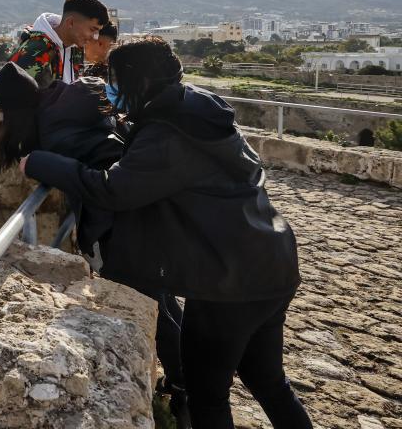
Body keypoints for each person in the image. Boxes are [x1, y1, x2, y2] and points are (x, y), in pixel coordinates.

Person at [20, 37, 310, 429]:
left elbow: (112, 190)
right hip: (272, 259)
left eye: (115, 81)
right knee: (269, 381)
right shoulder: (197, 108)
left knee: (208, 399)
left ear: (138, 83)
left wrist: (39, 162)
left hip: (229, 281)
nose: (109, 89)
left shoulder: (168, 136)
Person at [0, 62, 192, 424]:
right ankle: (188, 375)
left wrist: (39, 163)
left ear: (15, 110)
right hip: (142, 213)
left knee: (151, 302)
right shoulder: (62, 107)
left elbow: (90, 177)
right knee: (160, 299)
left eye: (1, 112)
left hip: (126, 221)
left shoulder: (57, 130)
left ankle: (186, 389)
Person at [9, 0, 110, 87]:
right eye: (92, 29)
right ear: (70, 22)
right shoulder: (34, 50)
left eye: (97, 32)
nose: (94, 37)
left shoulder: (76, 48)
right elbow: (10, 94)